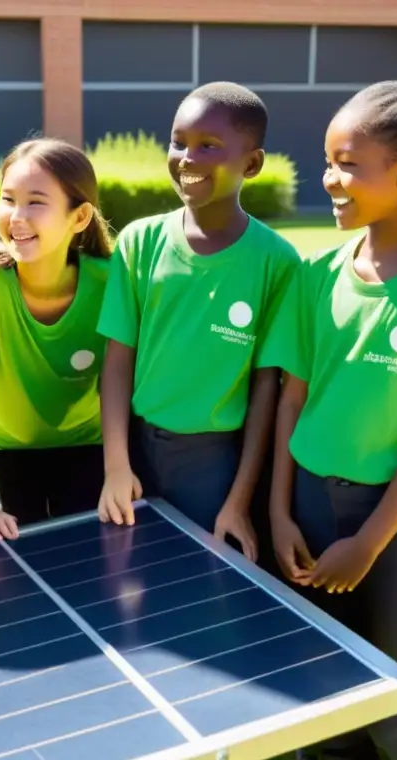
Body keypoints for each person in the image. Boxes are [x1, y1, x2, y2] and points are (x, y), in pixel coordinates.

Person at [261, 67, 397, 760]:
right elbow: (290, 400)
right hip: (302, 509)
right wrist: (277, 512)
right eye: (328, 162)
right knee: (313, 688)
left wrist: (371, 543)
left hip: (395, 523)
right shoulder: (315, 275)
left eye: (347, 165)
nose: (329, 178)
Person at [95, 81, 301, 566]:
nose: (187, 158)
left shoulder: (279, 262)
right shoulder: (139, 242)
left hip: (216, 467)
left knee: (210, 603)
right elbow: (118, 363)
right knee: (134, 594)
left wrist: (237, 500)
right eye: (178, 142)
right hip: (138, 457)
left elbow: (265, 390)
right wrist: (116, 467)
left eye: (208, 146)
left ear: (251, 164)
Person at [0, 138, 114, 539]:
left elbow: (125, 385)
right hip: (7, 449)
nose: (16, 217)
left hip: (87, 446)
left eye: (36, 202)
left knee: (86, 547)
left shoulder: (111, 281)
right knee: (19, 553)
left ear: (79, 218)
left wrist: (119, 470)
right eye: (8, 199)